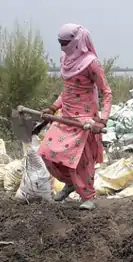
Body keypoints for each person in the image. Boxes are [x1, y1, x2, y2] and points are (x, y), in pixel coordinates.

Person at [38, 24, 112, 210]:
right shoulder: (65, 59)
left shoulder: (92, 63)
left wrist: (102, 120)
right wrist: (52, 108)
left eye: (65, 42)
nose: (62, 46)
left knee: (80, 160)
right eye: (59, 42)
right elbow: (68, 91)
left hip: (85, 120)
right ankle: (71, 183)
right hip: (66, 116)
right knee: (47, 153)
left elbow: (106, 92)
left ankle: (88, 197)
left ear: (76, 41)